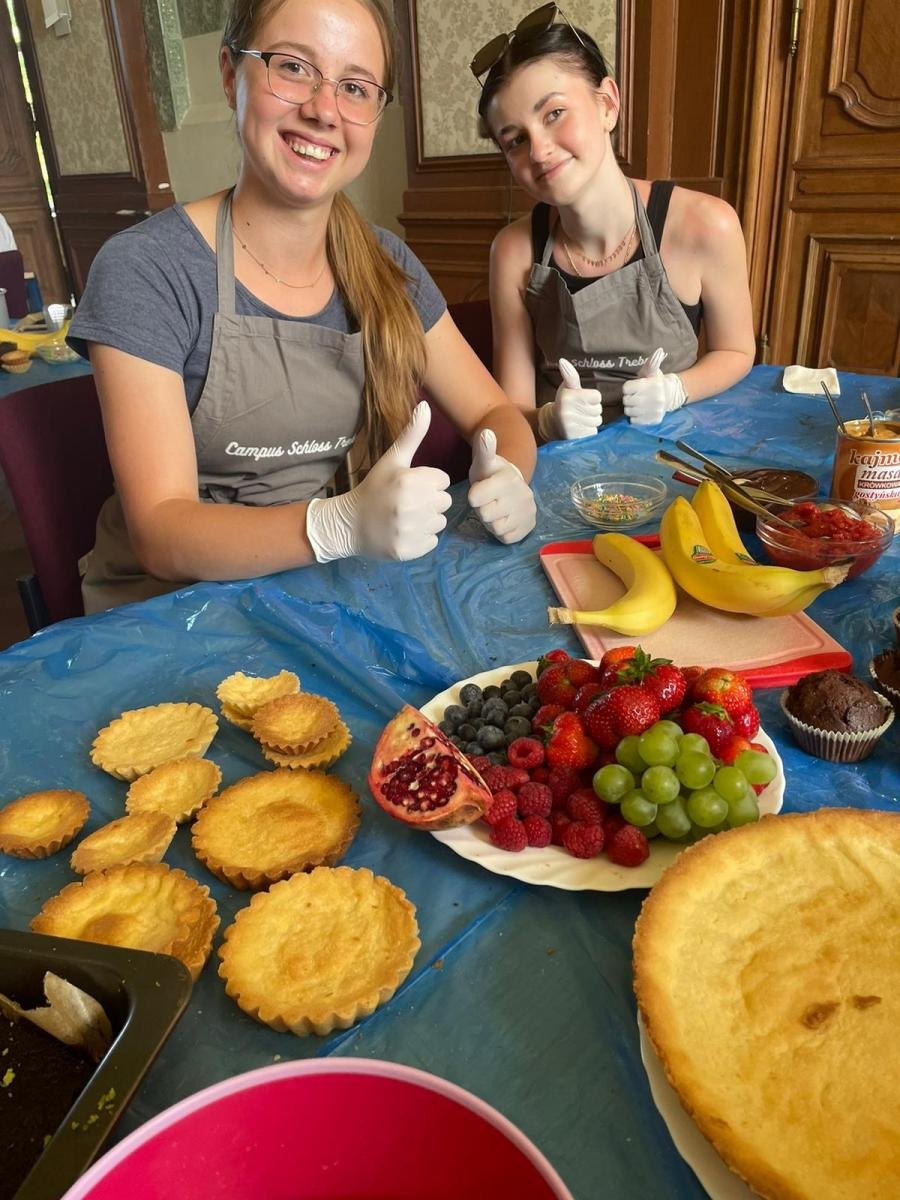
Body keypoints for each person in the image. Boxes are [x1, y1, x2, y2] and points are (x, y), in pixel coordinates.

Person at [68, 0, 537, 614]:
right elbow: (160, 532)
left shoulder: (387, 264)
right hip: (172, 614)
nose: (323, 110)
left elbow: (493, 409)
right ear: (232, 74)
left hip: (330, 596)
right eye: (292, 67)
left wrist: (509, 473)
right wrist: (336, 524)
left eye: (355, 87)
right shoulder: (148, 270)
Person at [473, 5, 755, 442]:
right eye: (516, 140)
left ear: (607, 104)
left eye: (554, 114)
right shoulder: (513, 251)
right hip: (563, 466)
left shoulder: (706, 224)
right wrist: (546, 420)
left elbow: (736, 351)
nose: (540, 151)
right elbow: (513, 409)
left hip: (674, 452)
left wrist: (677, 389)